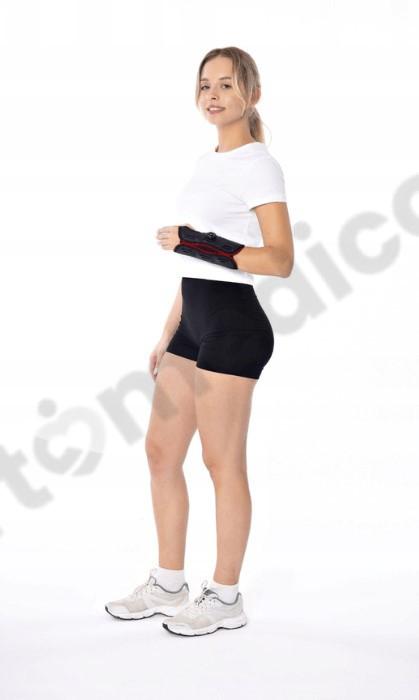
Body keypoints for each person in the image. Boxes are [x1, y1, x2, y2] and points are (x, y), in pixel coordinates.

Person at [105, 46, 294, 637]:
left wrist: (197, 241)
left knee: (221, 461)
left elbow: (280, 260)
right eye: (206, 84)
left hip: (235, 327)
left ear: (252, 95)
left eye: (227, 85)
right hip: (194, 322)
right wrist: (168, 332)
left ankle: (226, 596)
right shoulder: (207, 162)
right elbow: (195, 264)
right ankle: (168, 583)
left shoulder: (259, 165)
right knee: (160, 452)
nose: (213, 95)